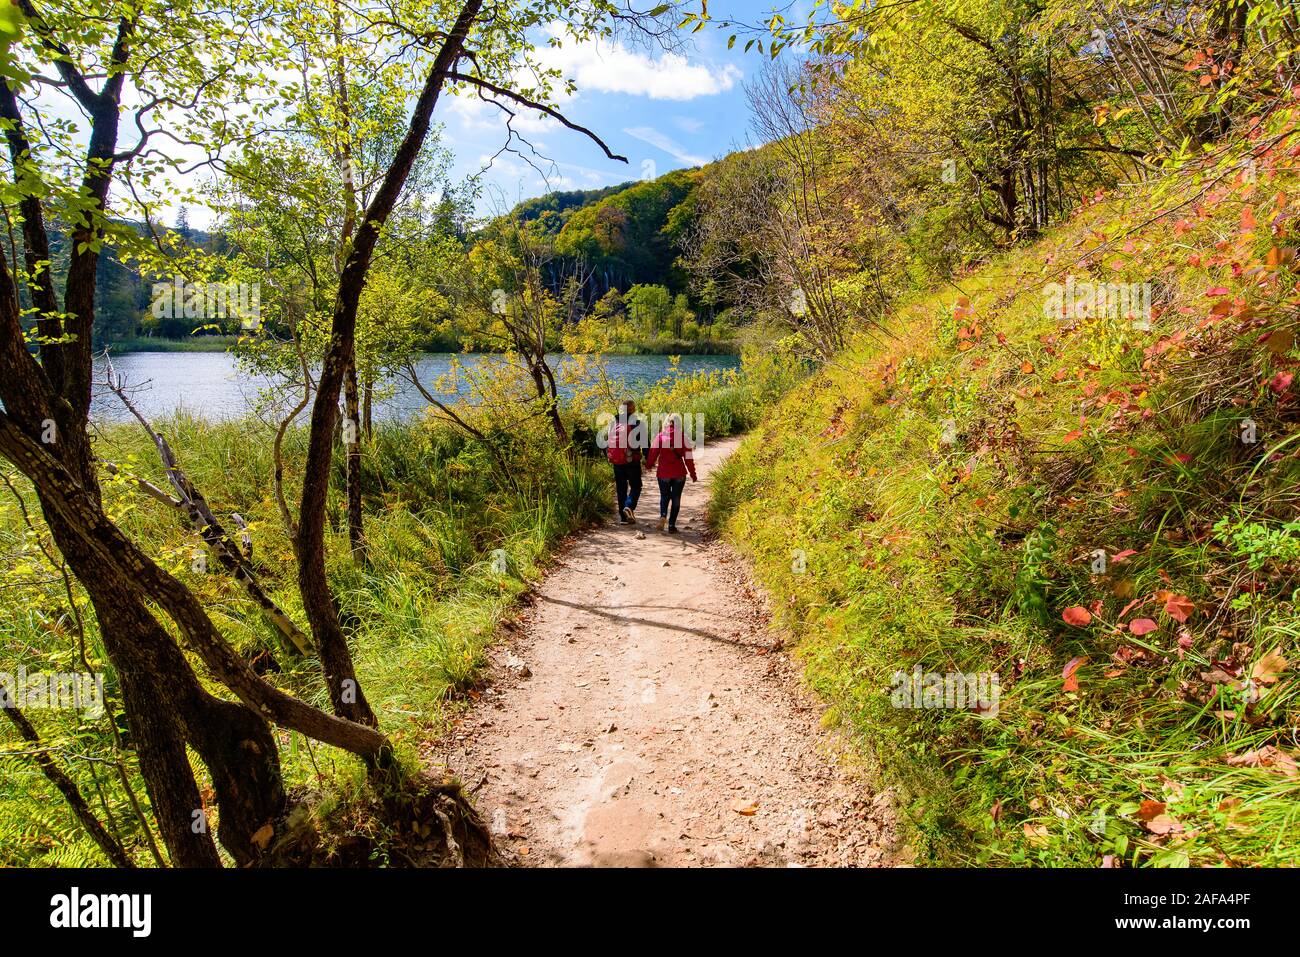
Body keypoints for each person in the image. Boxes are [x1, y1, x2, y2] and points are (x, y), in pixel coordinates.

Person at [645, 413, 697, 534]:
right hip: (679, 473)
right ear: (679, 423)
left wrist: (648, 465)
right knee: (676, 498)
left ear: (666, 423)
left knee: (664, 496)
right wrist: (693, 474)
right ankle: (672, 525)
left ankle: (663, 515)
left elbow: (653, 453)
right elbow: (688, 459)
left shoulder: (660, 436)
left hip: (663, 473)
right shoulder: (684, 437)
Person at [606, 399, 646, 524]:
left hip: (617, 462)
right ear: (633, 410)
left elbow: (606, 442)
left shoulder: (613, 423)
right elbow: (645, 444)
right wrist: (648, 458)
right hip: (632, 461)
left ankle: (623, 518)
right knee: (636, 486)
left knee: (621, 488)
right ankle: (628, 506)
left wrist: (610, 456)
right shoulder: (638, 424)